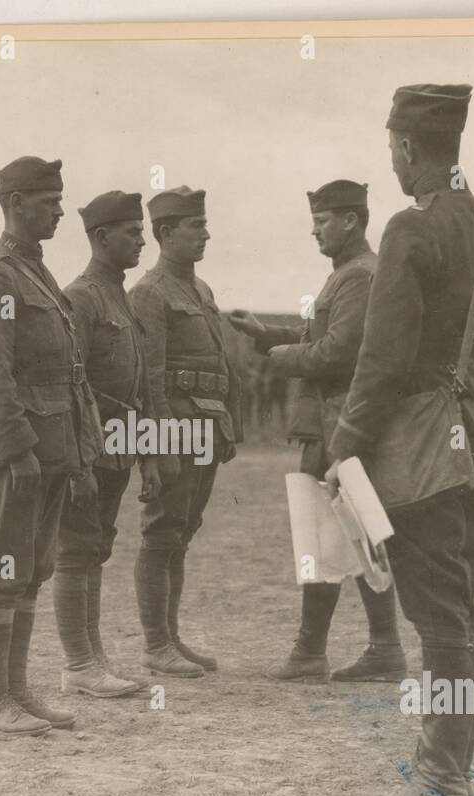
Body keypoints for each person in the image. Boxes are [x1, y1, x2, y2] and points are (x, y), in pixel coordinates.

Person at [327, 83, 474, 796]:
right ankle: (448, 772)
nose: (393, 161)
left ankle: (441, 783)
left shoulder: (411, 230)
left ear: (408, 148)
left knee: (439, 619)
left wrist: (346, 444)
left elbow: (381, 360)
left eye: (393, 148)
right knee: (462, 613)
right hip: (473, 442)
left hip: (423, 452)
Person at [227, 179, 406, 683]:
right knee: (332, 533)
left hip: (339, 424)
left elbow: (337, 353)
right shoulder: (350, 275)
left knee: (352, 531)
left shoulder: (359, 277)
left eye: (322, 220)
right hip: (331, 421)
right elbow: (322, 339)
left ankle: (362, 649)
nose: (314, 231)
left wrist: (280, 358)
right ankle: (342, 649)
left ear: (351, 220)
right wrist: (267, 336)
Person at [0, 155, 103, 736]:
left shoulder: (36, 274)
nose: (61, 210)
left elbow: (69, 375)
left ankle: (17, 692)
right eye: (50, 201)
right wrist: (18, 449)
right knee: (6, 570)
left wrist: (77, 453)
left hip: (52, 451)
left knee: (33, 571)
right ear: (16, 203)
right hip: (15, 456)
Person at [130, 186, 242, 678]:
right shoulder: (150, 292)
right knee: (161, 533)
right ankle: (156, 645)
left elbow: (219, 364)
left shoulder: (202, 290)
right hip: (173, 426)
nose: (206, 234)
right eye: (195, 227)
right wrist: (153, 446)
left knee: (182, 533)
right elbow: (149, 375)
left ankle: (170, 638)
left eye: (204, 225)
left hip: (206, 425)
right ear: (164, 233)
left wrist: (229, 426)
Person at [55, 190, 163, 699]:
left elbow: (136, 387)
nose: (142, 240)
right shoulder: (81, 298)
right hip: (90, 446)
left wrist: (148, 457)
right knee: (76, 551)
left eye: (141, 231)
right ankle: (79, 663)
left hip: (119, 445)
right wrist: (78, 460)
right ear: (101, 238)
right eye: (132, 233)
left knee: (95, 549)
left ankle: (92, 659)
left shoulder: (119, 295)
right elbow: (68, 384)